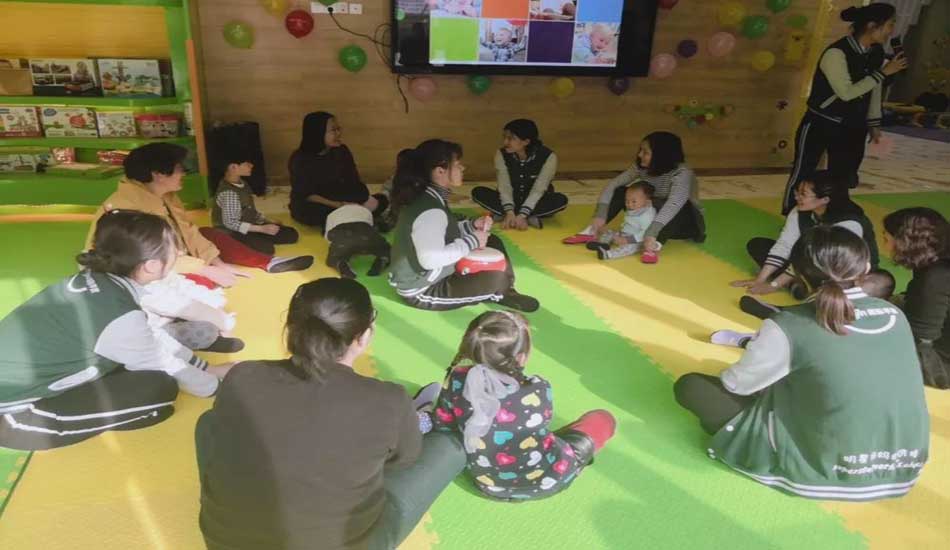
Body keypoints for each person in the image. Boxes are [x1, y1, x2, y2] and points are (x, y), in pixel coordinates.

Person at [196, 278, 466, 550]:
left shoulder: (242, 376)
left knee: (209, 423)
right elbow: (403, 461)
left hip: (224, 543)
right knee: (449, 447)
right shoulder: (390, 400)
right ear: (364, 336)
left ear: (291, 327)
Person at [675, 226, 929, 501]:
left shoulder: (788, 324)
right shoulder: (894, 314)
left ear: (798, 273)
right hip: (902, 466)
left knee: (691, 386)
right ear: (866, 267)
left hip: (818, 469)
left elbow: (737, 384)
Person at [0, 211, 232, 451]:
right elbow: (163, 362)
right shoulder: (119, 315)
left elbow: (149, 337)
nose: (180, 252)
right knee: (159, 388)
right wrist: (218, 388)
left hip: (20, 382)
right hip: (13, 415)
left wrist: (208, 368)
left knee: (135, 369)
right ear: (151, 266)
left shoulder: (97, 280)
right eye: (174, 248)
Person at [432, 311, 616, 501]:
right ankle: (577, 463)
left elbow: (442, 424)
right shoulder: (538, 388)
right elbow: (539, 423)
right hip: (548, 479)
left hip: (487, 484)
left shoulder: (457, 380)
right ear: (520, 357)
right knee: (603, 418)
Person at [86, 143, 311, 289]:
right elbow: (150, 261)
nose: (183, 173)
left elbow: (189, 231)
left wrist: (218, 263)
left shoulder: (166, 194)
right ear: (158, 174)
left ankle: (268, 263)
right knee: (200, 281)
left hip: (176, 254)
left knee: (209, 234)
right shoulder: (126, 210)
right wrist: (205, 269)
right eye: (179, 169)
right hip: (144, 271)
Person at [780, 3, 908, 214]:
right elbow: (846, 93)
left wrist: (874, 124)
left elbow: (874, 88)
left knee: (843, 175)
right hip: (821, 122)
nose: (891, 30)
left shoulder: (876, 52)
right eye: (890, 24)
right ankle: (792, 214)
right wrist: (884, 73)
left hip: (852, 125)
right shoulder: (836, 53)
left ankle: (834, 215)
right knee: (804, 169)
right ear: (871, 26)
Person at [389, 139, 539, 312]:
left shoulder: (430, 196)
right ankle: (500, 290)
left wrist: (472, 226)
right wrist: (472, 241)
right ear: (440, 171)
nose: (462, 168)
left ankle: (506, 291)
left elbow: (443, 233)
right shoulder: (431, 210)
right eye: (457, 164)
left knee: (492, 240)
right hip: (422, 289)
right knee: (497, 279)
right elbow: (430, 259)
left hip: (435, 271)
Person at [731, 171, 881, 315]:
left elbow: (833, 262)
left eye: (803, 194)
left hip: (843, 272)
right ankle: (797, 284)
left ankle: (798, 300)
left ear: (825, 199)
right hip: (813, 259)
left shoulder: (849, 222)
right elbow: (785, 245)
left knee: (840, 284)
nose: (797, 197)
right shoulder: (800, 211)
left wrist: (774, 285)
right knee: (758, 245)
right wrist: (760, 280)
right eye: (797, 191)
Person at [562, 131, 705, 262]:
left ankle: (653, 245)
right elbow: (613, 185)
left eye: (645, 152)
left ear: (661, 156)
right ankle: (591, 231)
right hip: (651, 215)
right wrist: (600, 215)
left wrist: (651, 233)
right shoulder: (641, 166)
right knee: (621, 191)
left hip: (681, 224)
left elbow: (673, 205)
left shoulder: (682, 173)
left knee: (674, 205)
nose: (640, 155)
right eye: (640, 150)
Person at [883, 207, 950, 389]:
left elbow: (922, 340)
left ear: (905, 243)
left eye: (886, 239)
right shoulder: (934, 261)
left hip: (942, 364)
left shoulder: (935, 278)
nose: (884, 245)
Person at [288, 112, 389, 230]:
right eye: (333, 130)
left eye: (338, 129)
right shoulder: (300, 159)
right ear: (318, 133)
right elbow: (306, 194)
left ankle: (349, 217)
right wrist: (340, 205)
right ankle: (354, 215)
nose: (338, 133)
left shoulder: (341, 151)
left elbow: (353, 180)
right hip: (316, 201)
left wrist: (354, 198)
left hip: (335, 193)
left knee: (378, 199)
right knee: (312, 213)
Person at [471, 119, 567, 230]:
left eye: (511, 138)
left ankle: (512, 215)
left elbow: (539, 189)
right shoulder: (501, 154)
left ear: (526, 141)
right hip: (511, 198)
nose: (505, 142)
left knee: (561, 200)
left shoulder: (549, 157)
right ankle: (521, 216)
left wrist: (523, 214)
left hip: (536, 200)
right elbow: (504, 186)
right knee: (478, 192)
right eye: (504, 137)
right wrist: (509, 211)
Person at [212, 152, 302, 255]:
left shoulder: (243, 183)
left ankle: (256, 237)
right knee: (266, 249)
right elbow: (230, 223)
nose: (251, 165)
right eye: (247, 164)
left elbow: (250, 211)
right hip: (231, 233)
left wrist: (267, 221)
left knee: (291, 234)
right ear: (233, 167)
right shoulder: (229, 193)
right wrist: (261, 229)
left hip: (249, 226)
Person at [586, 182, 656, 261]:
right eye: (627, 201)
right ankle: (603, 243)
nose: (629, 204)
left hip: (637, 240)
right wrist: (620, 235)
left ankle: (608, 254)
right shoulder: (635, 208)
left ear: (647, 201)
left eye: (634, 201)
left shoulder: (647, 215)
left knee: (628, 248)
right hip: (623, 234)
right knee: (609, 233)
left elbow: (646, 233)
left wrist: (627, 240)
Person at [324, 204, 391, 279]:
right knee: (383, 247)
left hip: (343, 238)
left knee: (335, 256)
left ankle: (340, 263)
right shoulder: (366, 211)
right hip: (365, 236)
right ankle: (383, 257)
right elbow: (371, 226)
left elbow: (328, 236)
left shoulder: (332, 215)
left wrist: (334, 244)